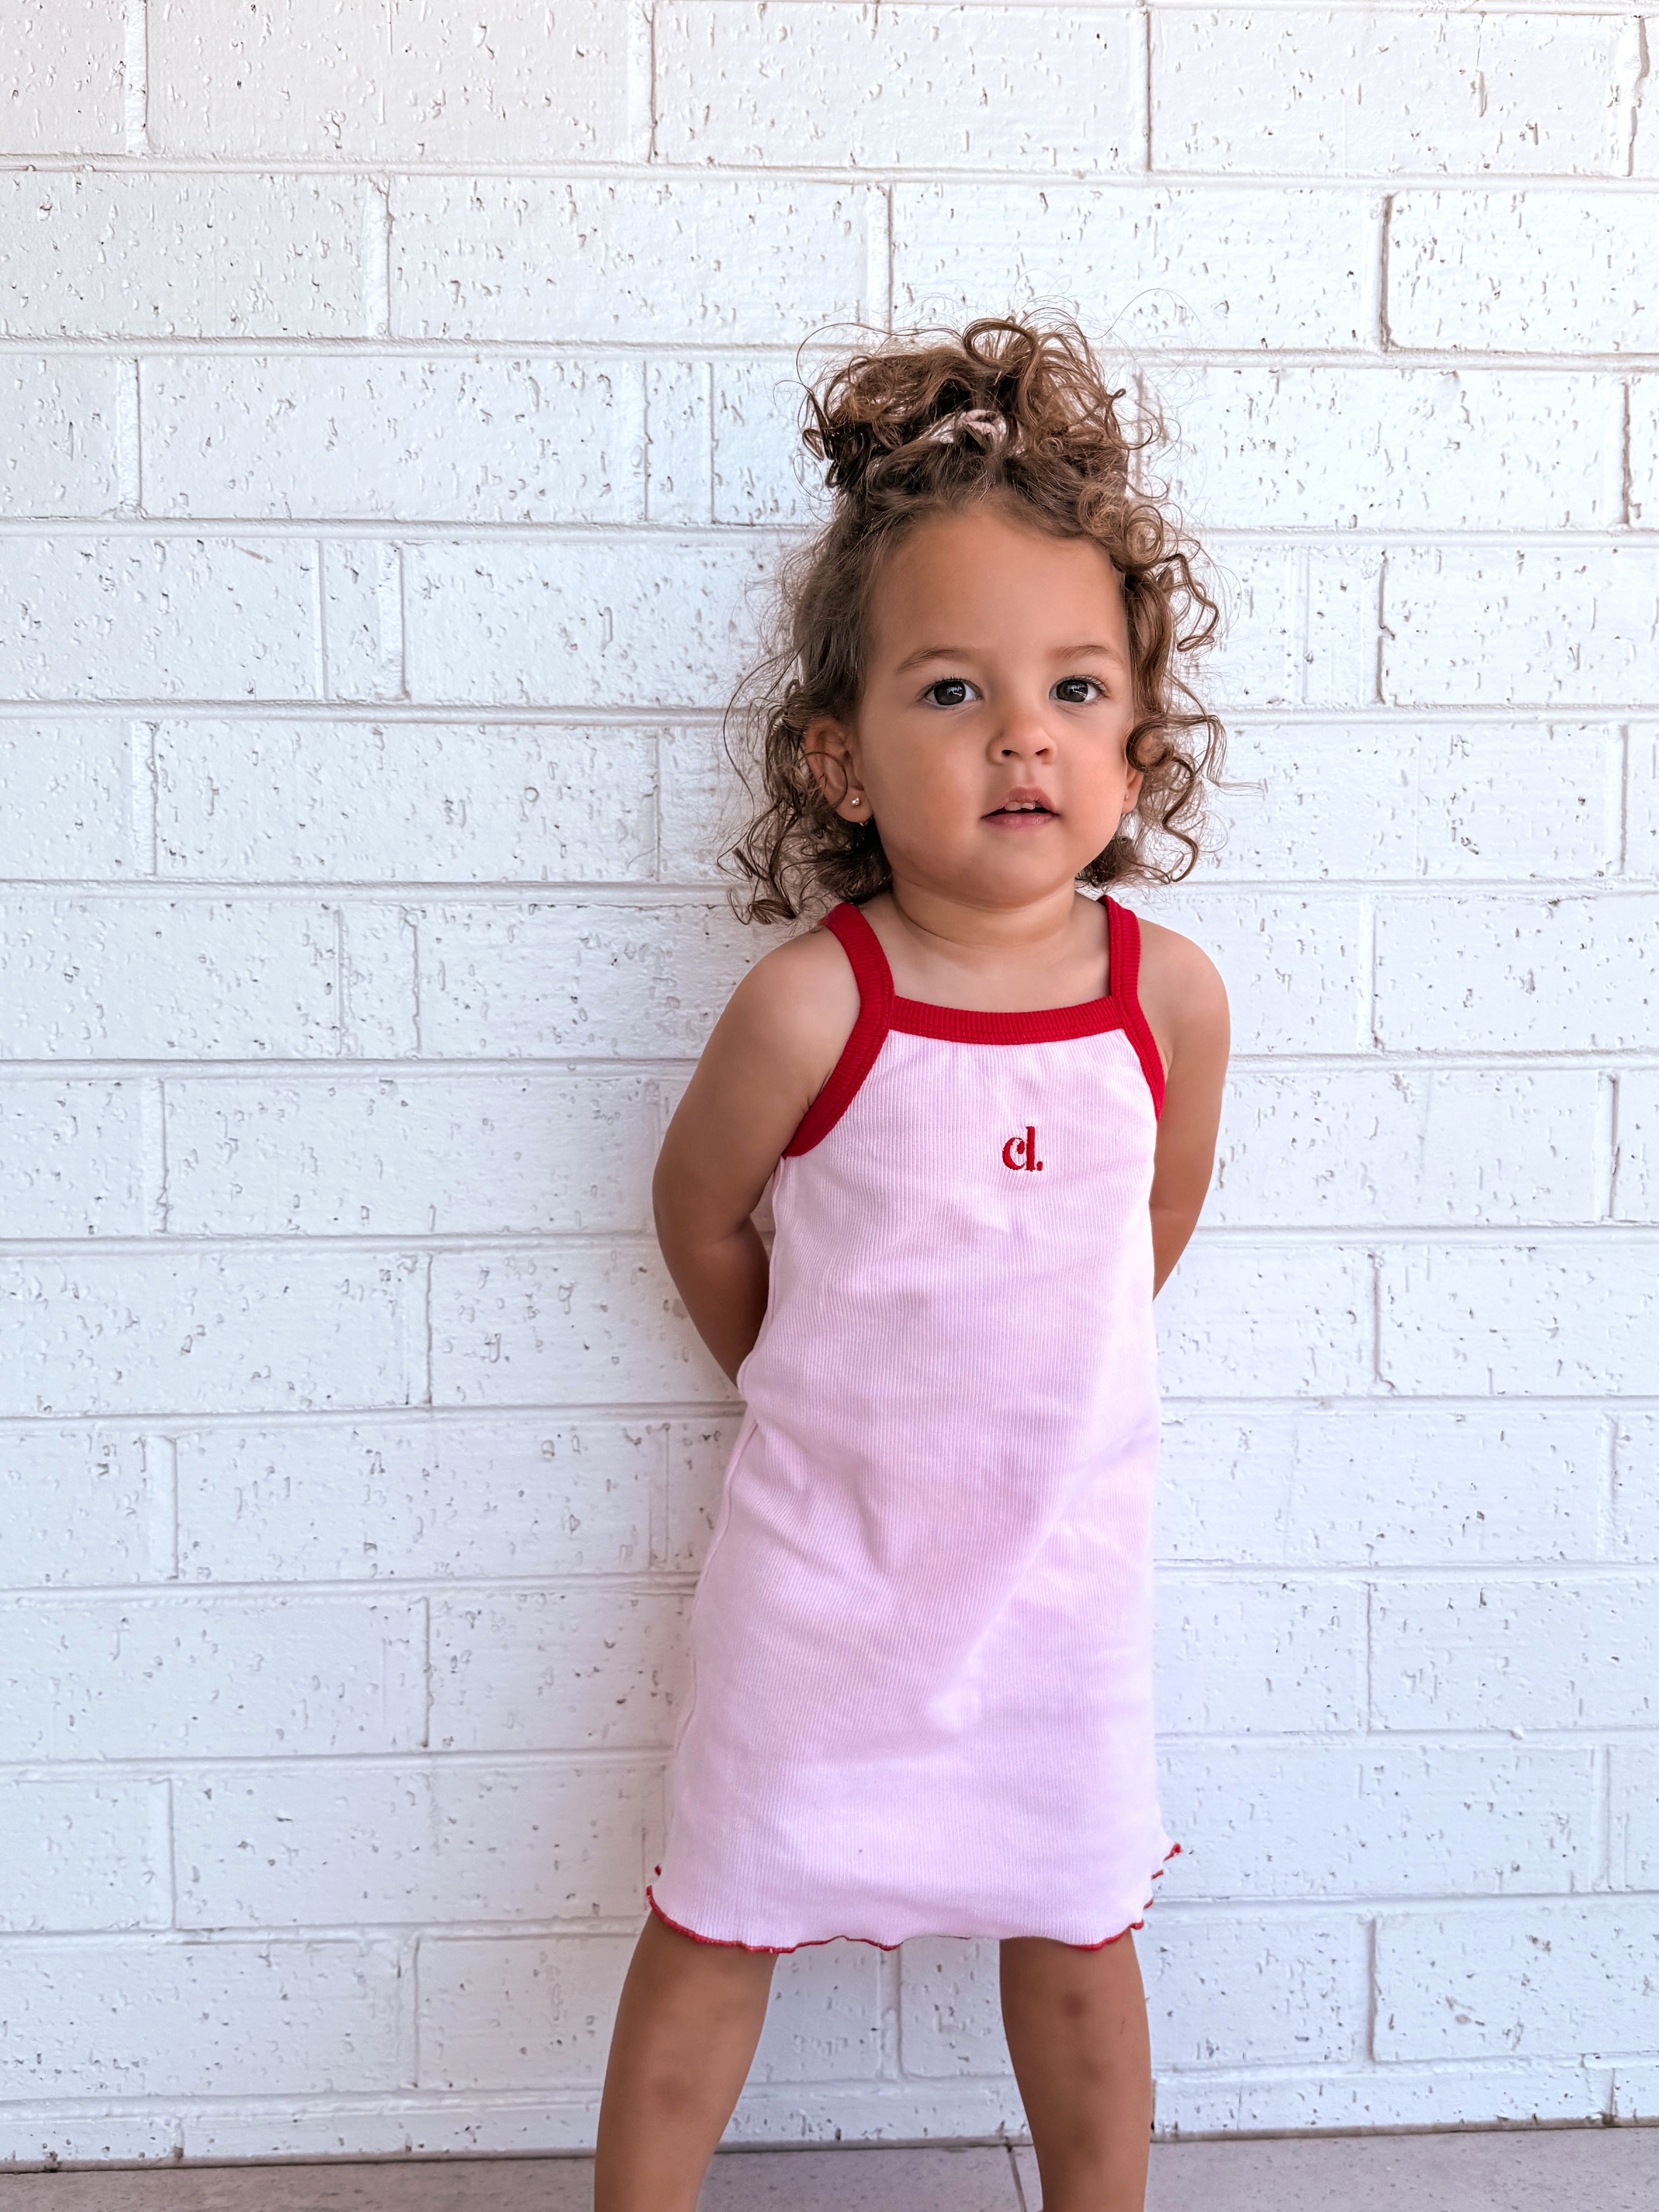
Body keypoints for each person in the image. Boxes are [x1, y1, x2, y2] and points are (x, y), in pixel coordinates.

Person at [594, 317, 1231, 2212]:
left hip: (1056, 1590)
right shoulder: (814, 1006)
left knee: (1083, 1942)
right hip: (828, 1590)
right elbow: (699, 1215)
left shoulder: (1165, 1002)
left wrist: (1043, 1405)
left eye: (1076, 686)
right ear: (842, 759)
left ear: (1136, 732)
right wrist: (816, 1387)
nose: (1024, 732)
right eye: (952, 691)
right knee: (719, 1919)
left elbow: (1149, 1229)